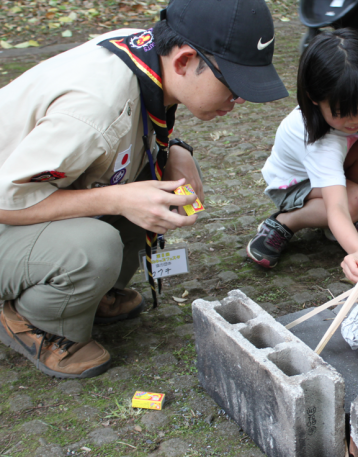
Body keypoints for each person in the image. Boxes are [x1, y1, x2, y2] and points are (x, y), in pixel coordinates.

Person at [0, 0, 288, 379]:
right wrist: (117, 198)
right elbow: (7, 199)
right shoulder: (94, 109)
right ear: (184, 61)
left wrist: (176, 151)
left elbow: (137, 125)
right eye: (234, 85)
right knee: (95, 246)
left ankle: (87, 297)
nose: (239, 101)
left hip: (29, 195)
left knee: (155, 193)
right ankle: (34, 321)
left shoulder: (143, 53)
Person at [246, 29, 358, 284]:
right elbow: (336, 205)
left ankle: (338, 228)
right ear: (313, 97)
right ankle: (285, 221)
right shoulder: (320, 143)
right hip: (292, 186)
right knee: (355, 202)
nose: (355, 120)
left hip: (328, 172)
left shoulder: (353, 102)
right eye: (342, 112)